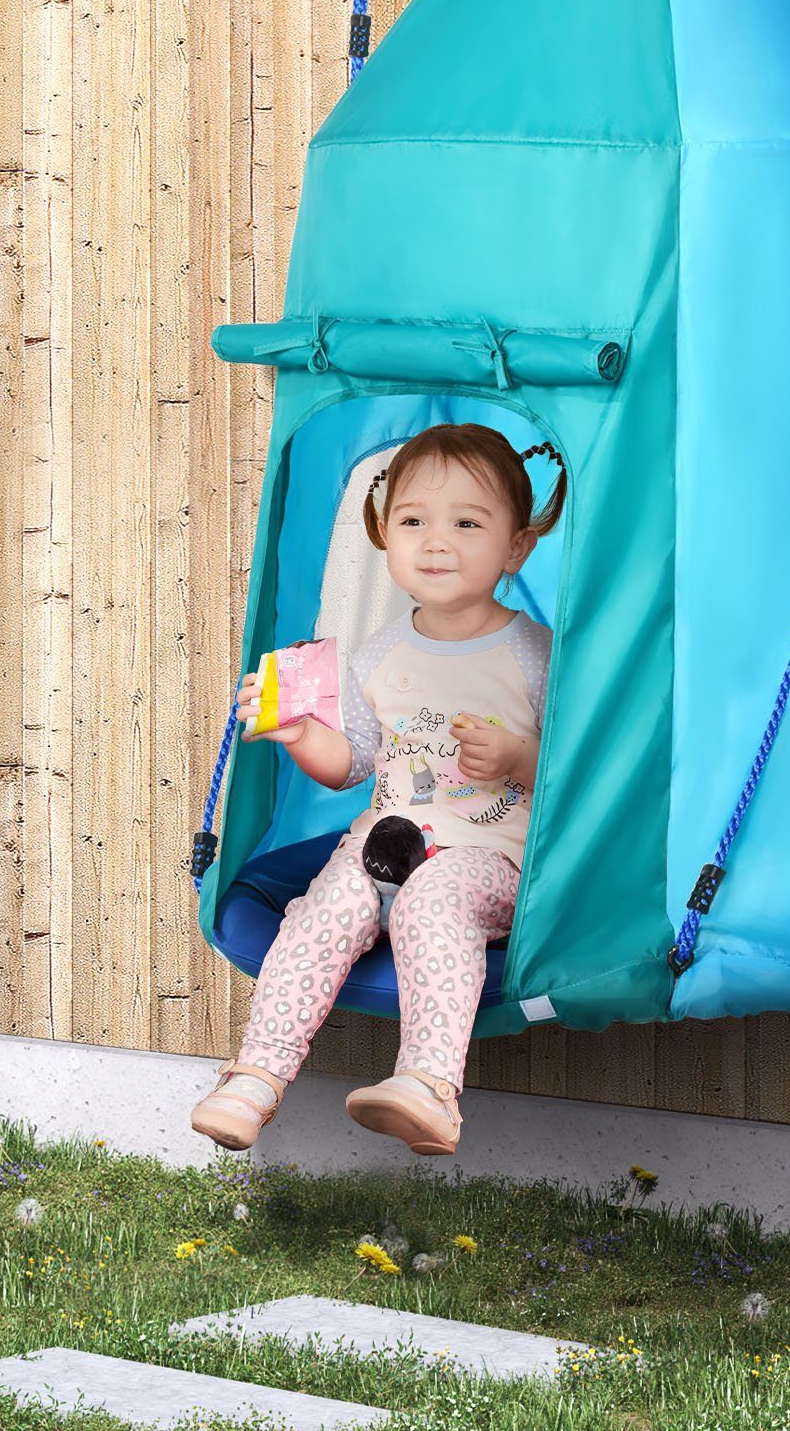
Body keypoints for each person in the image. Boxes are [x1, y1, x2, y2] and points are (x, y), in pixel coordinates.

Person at [190, 423, 562, 1157]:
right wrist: (299, 733)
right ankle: (255, 1079)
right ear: (384, 536)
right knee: (319, 912)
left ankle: (428, 1089)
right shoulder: (381, 654)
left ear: (516, 547)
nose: (436, 542)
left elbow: (575, 777)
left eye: (466, 523)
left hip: (488, 859)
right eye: (413, 522)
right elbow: (352, 761)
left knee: (434, 902)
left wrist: (520, 755)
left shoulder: (534, 652)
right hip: (383, 847)